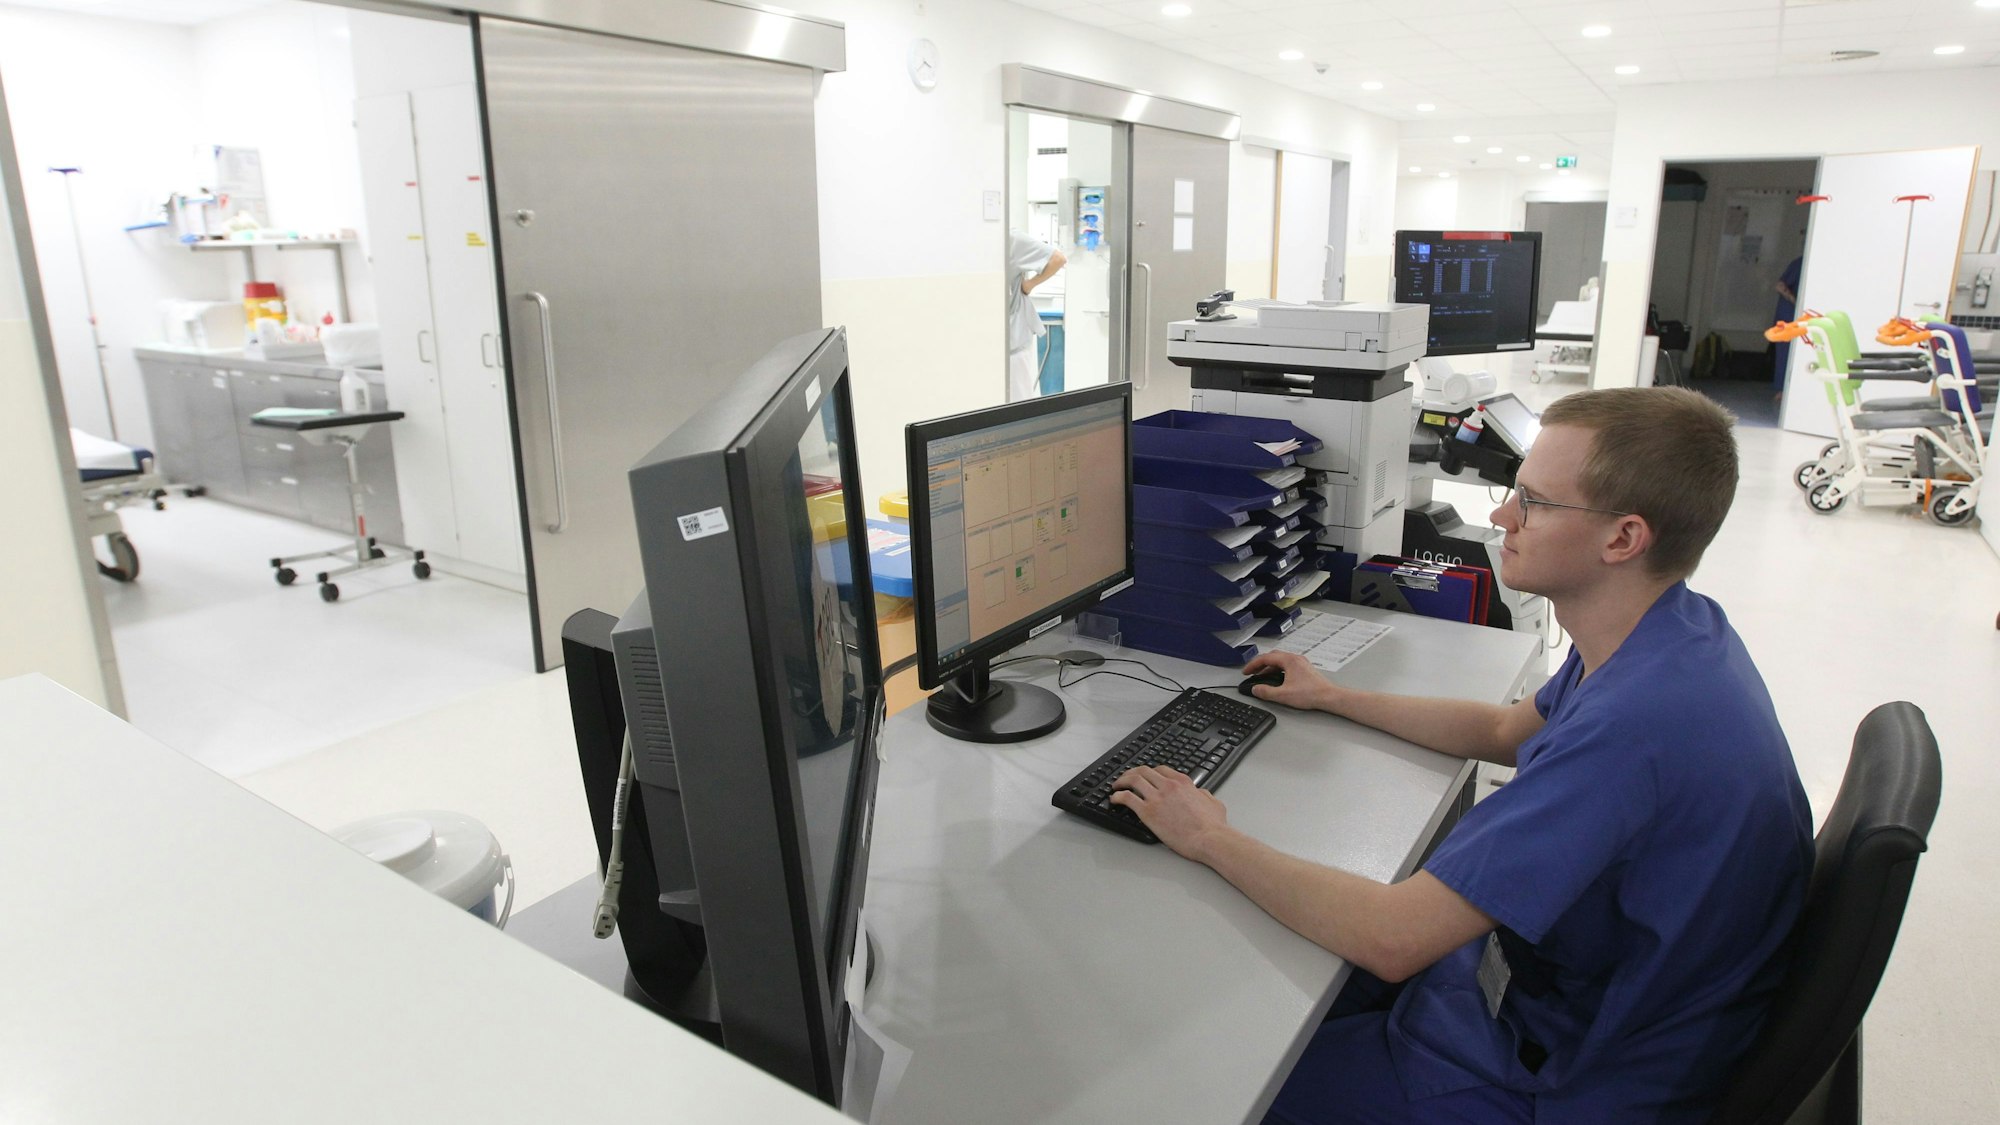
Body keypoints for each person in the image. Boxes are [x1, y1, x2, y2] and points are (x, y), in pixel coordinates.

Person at [1110, 387, 1813, 1124]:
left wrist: (1208, 834)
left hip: (1568, 1080)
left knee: (1211, 1085)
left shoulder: (1637, 728)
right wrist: (1336, 697)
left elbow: (1393, 936)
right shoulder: (1665, 632)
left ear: (1623, 538)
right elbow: (1507, 730)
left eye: (1535, 502)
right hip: (1560, 997)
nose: (1503, 515)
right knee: (1275, 976)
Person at [1008, 229, 1066, 401]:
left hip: (1013, 343)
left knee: (1016, 408)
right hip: (990, 343)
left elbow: (1058, 259)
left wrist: (1029, 285)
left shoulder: (1012, 239)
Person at [1773, 254, 1803, 397]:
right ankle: (1782, 390)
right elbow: (1780, 285)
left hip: (1796, 318)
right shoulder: (1800, 263)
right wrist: (1795, 302)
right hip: (1787, 318)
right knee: (1785, 354)